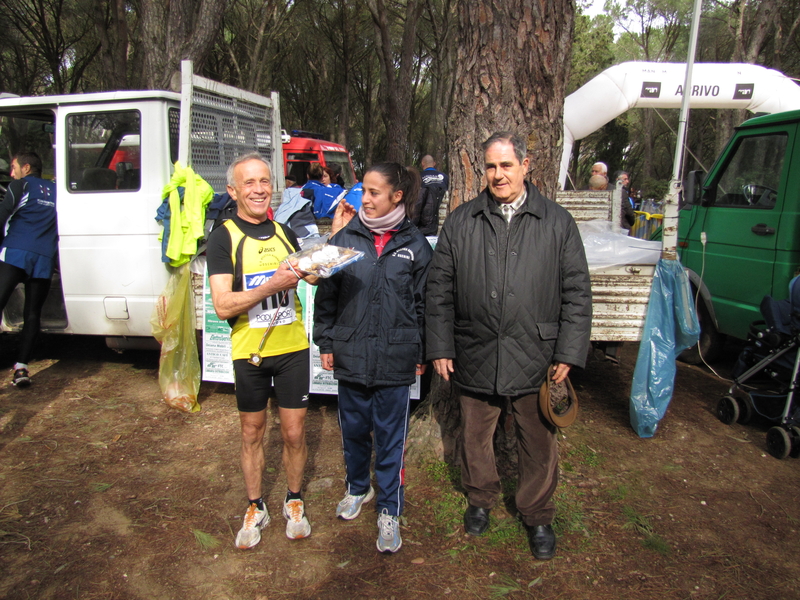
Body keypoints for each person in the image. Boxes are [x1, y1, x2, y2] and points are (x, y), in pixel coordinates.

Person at [426, 132, 592, 560]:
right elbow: (439, 290)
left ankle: (537, 514)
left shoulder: (557, 222)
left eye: (506, 165)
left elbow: (577, 292)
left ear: (526, 164)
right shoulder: (462, 221)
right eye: (491, 166)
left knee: (538, 441)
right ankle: (479, 499)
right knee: (475, 435)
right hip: (475, 348)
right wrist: (441, 345)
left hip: (536, 354)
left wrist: (569, 353)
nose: (498, 175)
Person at [314, 163, 433, 554]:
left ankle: (388, 508)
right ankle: (357, 489)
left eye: (374, 192)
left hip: (396, 359)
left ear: (397, 197)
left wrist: (420, 351)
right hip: (351, 354)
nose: (364, 198)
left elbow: (424, 306)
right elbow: (326, 297)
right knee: (352, 429)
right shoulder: (345, 238)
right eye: (363, 190)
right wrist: (327, 342)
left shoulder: (416, 246)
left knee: (390, 437)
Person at [207, 152, 318, 549]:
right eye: (249, 183)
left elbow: (316, 274)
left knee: (293, 430)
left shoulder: (285, 230)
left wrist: (330, 248)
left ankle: (293, 499)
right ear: (233, 190)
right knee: (252, 431)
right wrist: (272, 285)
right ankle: (256, 505)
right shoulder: (223, 236)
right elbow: (223, 305)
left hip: (291, 348)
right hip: (249, 352)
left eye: (264, 181)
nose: (259, 190)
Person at [0, 152, 58, 388]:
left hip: (16, 252)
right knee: (32, 314)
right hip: (43, 257)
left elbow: (2, 216)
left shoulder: (19, 185)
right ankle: (21, 368)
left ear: (26, 167)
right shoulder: (56, 190)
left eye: (13, 168)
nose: (11, 173)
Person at [413, 155, 449, 236]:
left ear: (422, 163)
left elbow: (416, 204)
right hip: (444, 222)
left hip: (425, 225)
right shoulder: (445, 177)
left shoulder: (418, 177)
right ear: (434, 163)